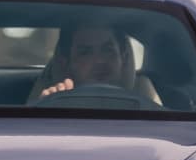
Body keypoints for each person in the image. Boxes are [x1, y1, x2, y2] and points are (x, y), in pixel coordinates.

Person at [29, 21, 161, 104]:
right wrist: (46, 107)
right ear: (66, 64)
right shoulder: (52, 107)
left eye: (108, 50)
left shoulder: (151, 114)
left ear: (124, 58)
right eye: (85, 52)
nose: (99, 60)